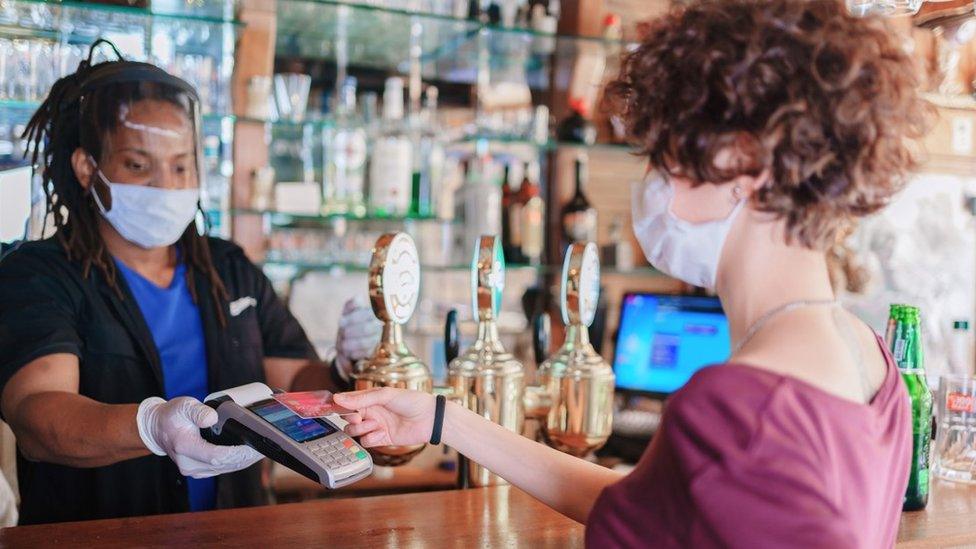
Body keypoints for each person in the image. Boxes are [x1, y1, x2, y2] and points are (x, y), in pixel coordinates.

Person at [333, 1, 930, 547]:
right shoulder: (873, 365)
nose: (654, 182)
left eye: (667, 154)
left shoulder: (735, 409)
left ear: (741, 160)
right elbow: (643, 506)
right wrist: (445, 419)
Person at [0, 41, 381, 525]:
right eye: (139, 165)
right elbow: (39, 416)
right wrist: (151, 428)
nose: (166, 185)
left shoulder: (226, 267)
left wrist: (345, 367)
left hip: (237, 530)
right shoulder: (40, 275)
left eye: (181, 165)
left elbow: (295, 382)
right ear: (87, 168)